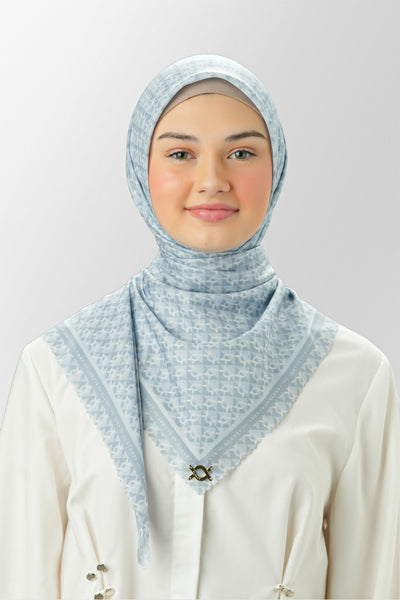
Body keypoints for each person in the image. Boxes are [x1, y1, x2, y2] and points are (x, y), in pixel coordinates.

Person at [0, 54, 399, 600]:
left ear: (277, 169)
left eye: (242, 153)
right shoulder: (59, 367)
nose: (212, 180)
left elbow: (372, 584)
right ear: (141, 169)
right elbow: (22, 581)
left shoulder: (353, 376)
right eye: (181, 154)